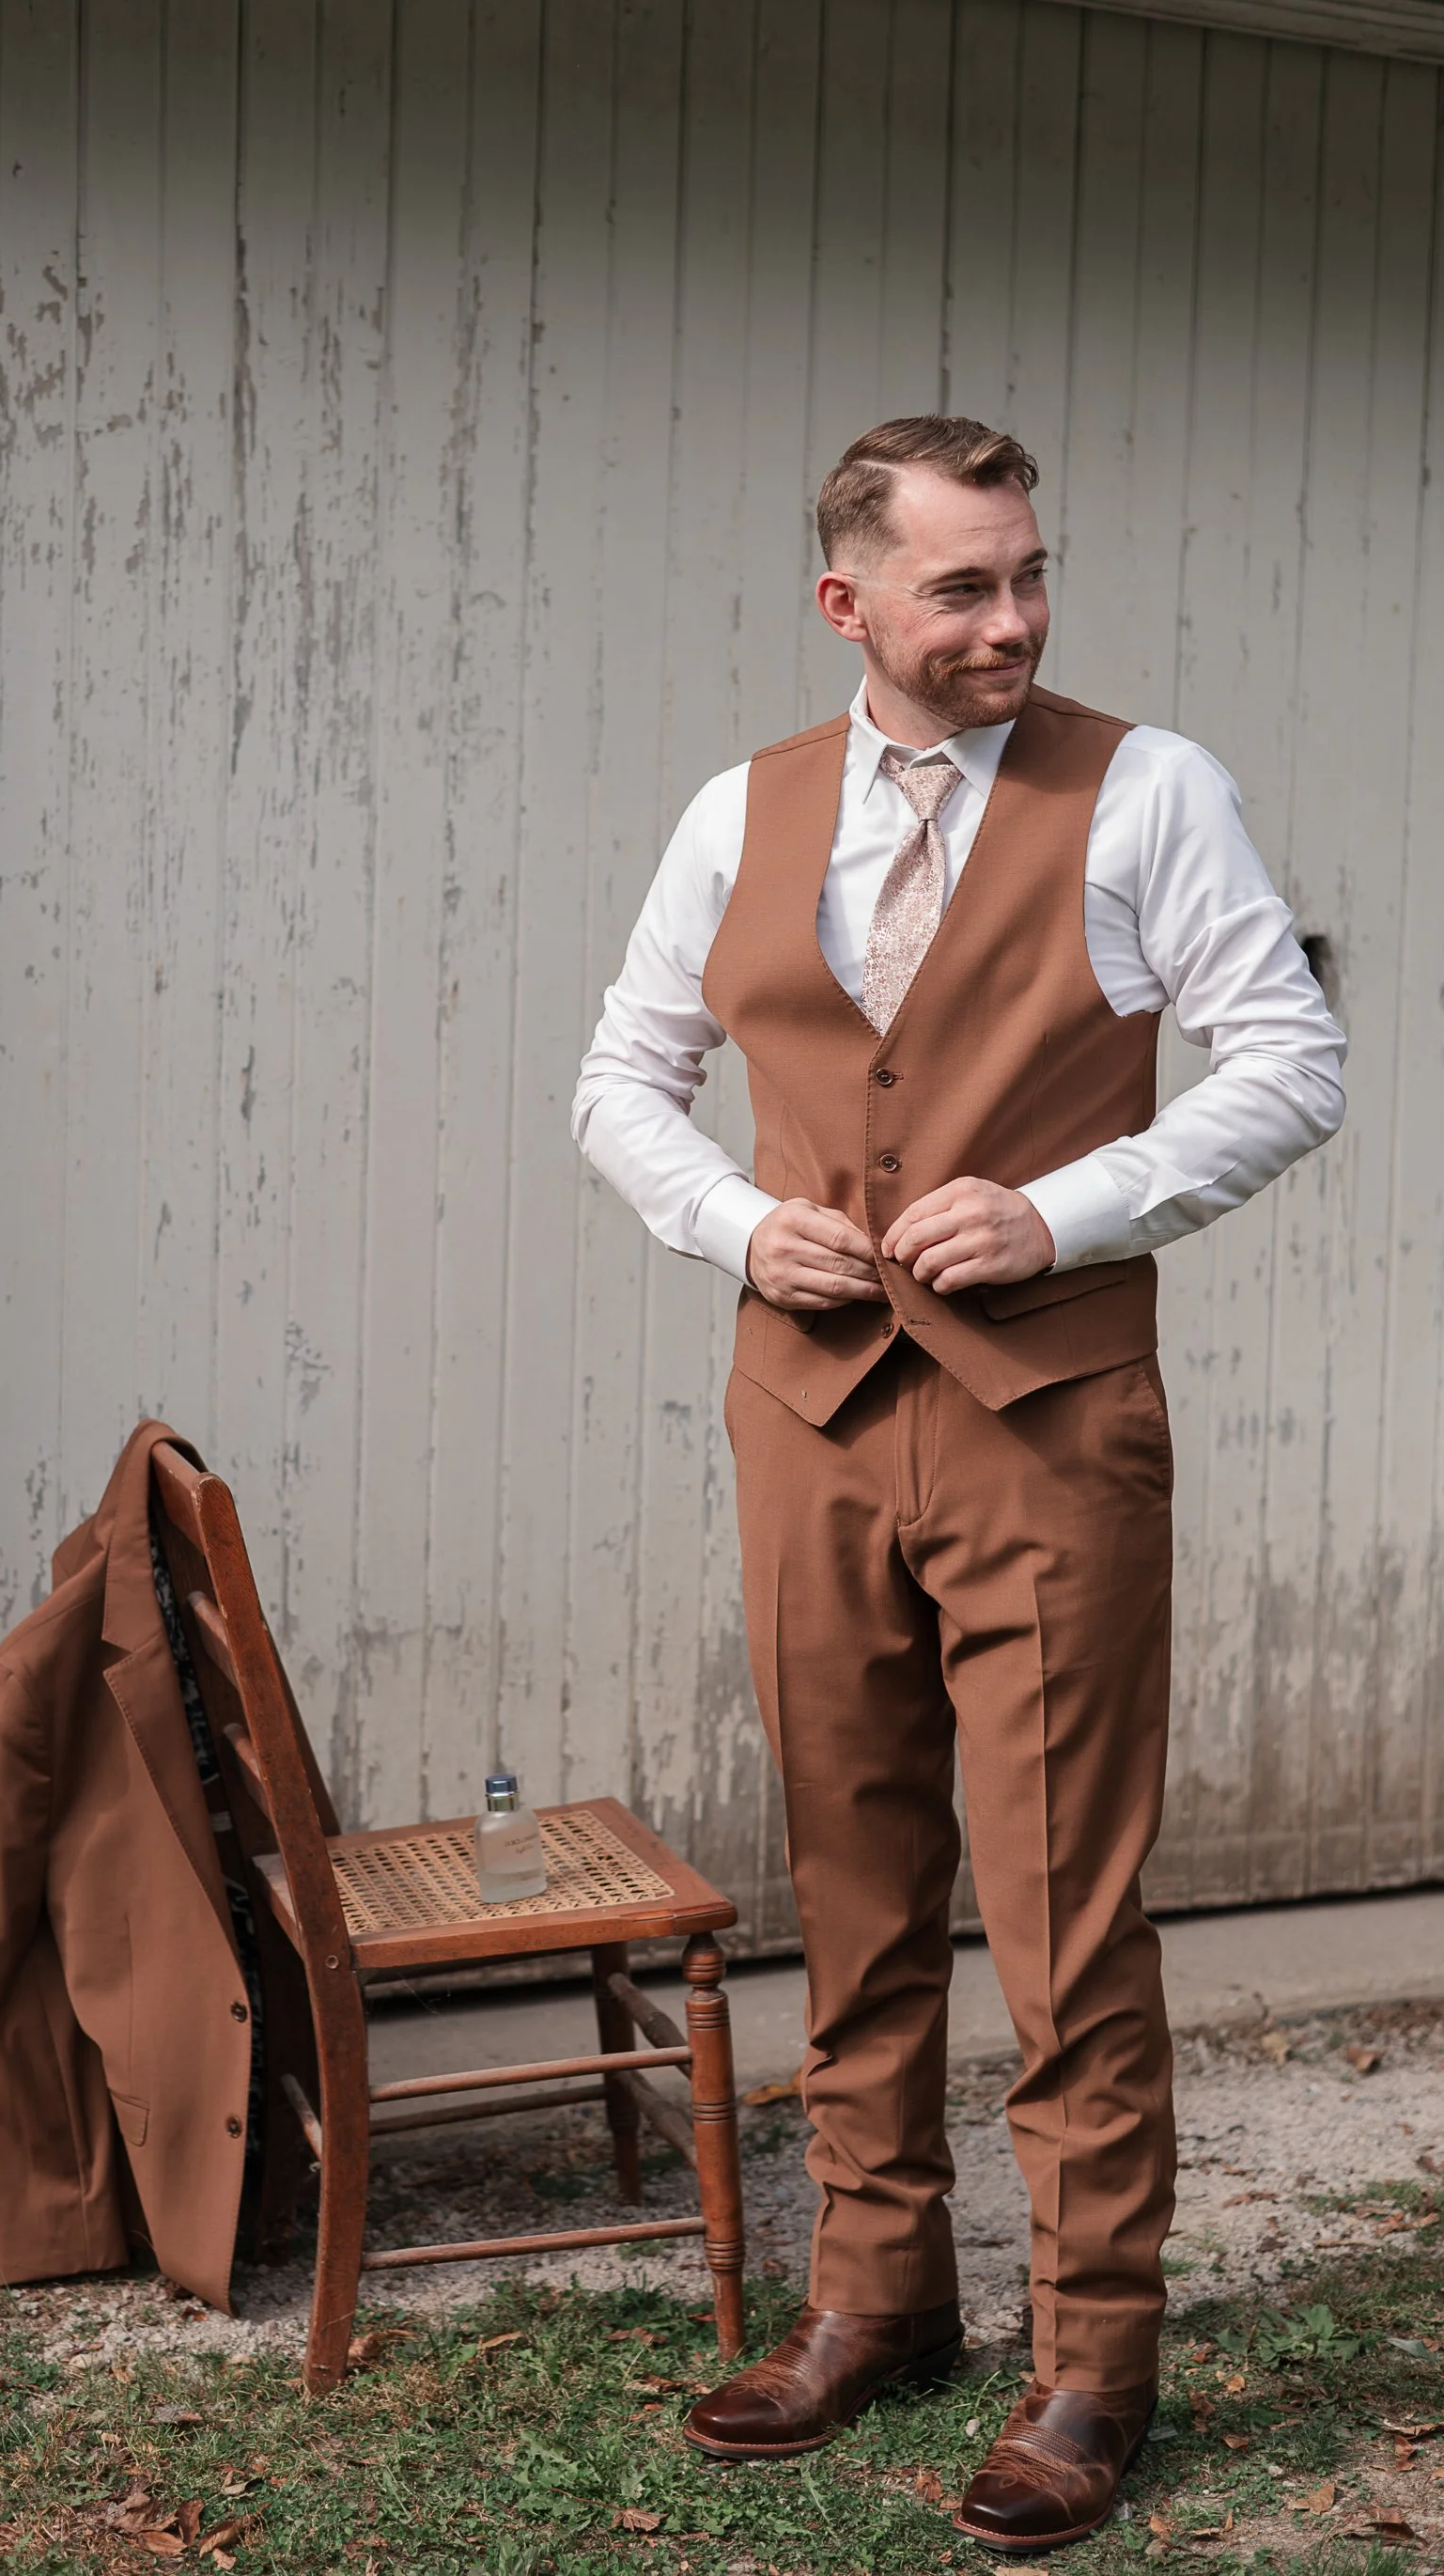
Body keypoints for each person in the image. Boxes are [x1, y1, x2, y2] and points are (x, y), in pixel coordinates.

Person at [570, 416, 1344, 2555]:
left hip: (1050, 1417)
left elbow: (1292, 1054)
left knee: (1069, 1902)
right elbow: (621, 1077)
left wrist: (1080, 1205)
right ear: (851, 607)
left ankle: (1094, 2354)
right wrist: (739, 1225)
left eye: (1029, 577)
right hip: (809, 1411)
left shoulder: (1150, 788)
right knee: (858, 1869)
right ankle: (877, 2295)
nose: (1013, 620)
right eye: (962, 589)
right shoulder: (740, 812)